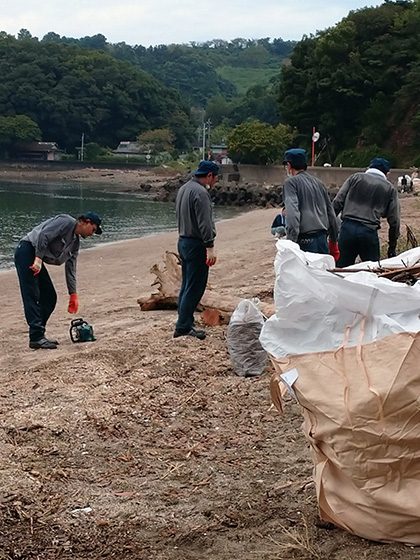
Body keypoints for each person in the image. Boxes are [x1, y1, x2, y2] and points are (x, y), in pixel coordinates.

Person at [15, 212, 103, 349]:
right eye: (93, 229)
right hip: (27, 251)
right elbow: (44, 235)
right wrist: (38, 258)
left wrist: (73, 294)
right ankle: (37, 337)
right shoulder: (66, 221)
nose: (92, 233)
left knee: (50, 297)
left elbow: (71, 269)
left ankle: (38, 333)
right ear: (86, 222)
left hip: (36, 256)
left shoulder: (74, 244)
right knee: (31, 294)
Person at [174, 160, 219, 340]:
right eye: (215, 178)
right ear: (209, 176)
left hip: (183, 240)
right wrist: (210, 246)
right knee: (195, 287)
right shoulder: (201, 193)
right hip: (196, 243)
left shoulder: (184, 189)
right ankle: (184, 325)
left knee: (186, 285)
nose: (215, 182)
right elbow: (205, 223)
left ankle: (184, 321)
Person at [332, 157, 400, 267]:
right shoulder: (390, 188)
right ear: (387, 173)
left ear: (369, 167)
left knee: (341, 270)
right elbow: (394, 220)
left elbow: (337, 202)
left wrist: (328, 227)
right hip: (369, 232)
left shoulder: (355, 178)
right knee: (372, 271)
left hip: (347, 229)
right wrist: (392, 246)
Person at [282, 148, 339, 259]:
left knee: (304, 275)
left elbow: (293, 213)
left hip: (305, 240)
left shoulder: (291, 183)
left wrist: (291, 244)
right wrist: (333, 241)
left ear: (289, 165)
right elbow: (331, 213)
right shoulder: (319, 183)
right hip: (322, 239)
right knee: (323, 274)